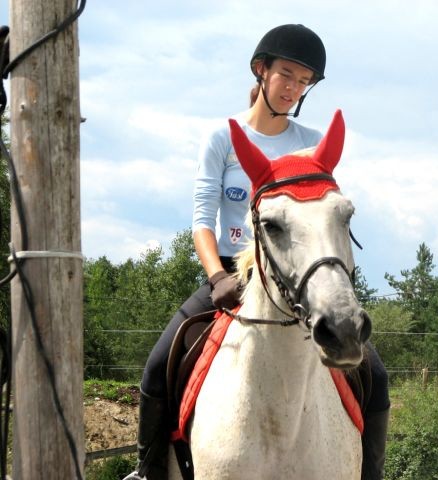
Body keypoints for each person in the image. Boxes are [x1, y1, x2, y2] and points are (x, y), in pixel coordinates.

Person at [125, 24, 389, 480]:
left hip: (294, 276)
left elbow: (319, 218)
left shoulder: (310, 143)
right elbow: (202, 221)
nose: (293, 88)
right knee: (157, 366)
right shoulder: (221, 138)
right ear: (261, 70)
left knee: (375, 374)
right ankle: (149, 471)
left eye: (304, 81)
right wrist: (217, 277)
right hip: (230, 275)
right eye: (287, 74)